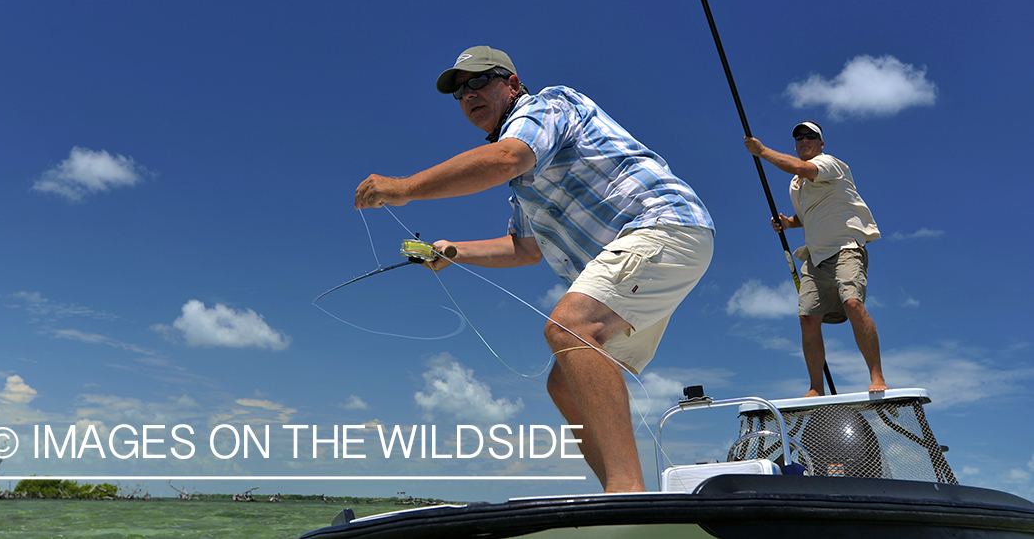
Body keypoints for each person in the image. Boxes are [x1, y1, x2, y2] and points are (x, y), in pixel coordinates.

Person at [355, 46, 714, 493]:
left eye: (479, 81)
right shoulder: (525, 182)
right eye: (459, 92)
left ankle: (628, 491)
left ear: (512, 83)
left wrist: (405, 188)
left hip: (663, 224)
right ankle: (620, 496)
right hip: (645, 259)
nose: (469, 95)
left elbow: (506, 157)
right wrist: (454, 251)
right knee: (563, 385)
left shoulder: (547, 106)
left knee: (570, 328)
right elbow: (525, 249)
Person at [744, 121, 887, 397]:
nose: (804, 140)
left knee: (853, 304)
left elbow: (801, 168)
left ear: (821, 144)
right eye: (799, 137)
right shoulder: (795, 185)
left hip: (846, 247)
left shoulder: (830, 163)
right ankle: (815, 388)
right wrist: (788, 223)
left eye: (811, 136)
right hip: (815, 256)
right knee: (807, 319)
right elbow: (808, 214)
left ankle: (877, 375)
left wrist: (761, 151)